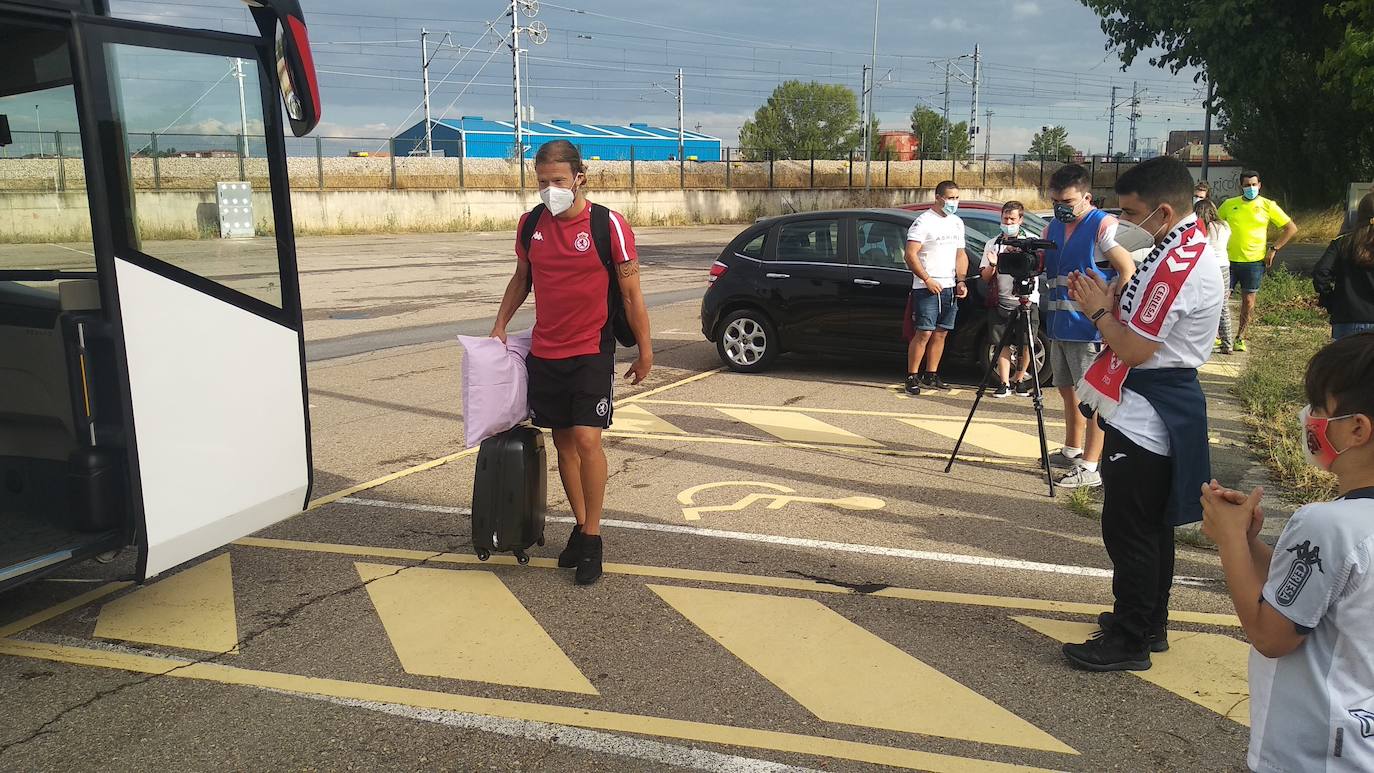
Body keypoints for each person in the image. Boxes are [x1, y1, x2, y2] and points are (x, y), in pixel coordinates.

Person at [1061, 156, 1224, 671]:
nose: (1127, 222)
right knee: (1151, 527)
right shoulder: (1177, 246)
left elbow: (1132, 349)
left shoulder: (1180, 264)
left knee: (1130, 530)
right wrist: (1113, 296)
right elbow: (1139, 313)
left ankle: (1132, 638)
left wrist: (1098, 311)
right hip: (1150, 405)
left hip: (1149, 410)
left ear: (1163, 209)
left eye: (1133, 213)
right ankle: (1147, 621)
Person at [1200, 333, 1374, 771]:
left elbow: (1270, 634)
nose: (1308, 418)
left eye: (1319, 408)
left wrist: (1228, 541)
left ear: (1358, 428)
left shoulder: (1326, 524)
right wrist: (1249, 543)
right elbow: (1310, 595)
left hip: (1312, 752)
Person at [490, 140, 653, 586]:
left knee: (586, 438)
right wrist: (500, 323)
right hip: (546, 350)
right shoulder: (530, 226)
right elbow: (522, 279)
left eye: (558, 181)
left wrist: (645, 349)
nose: (549, 190)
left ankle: (594, 539)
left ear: (579, 178)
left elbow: (631, 293)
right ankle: (580, 528)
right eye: (542, 182)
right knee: (562, 443)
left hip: (590, 349)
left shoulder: (608, 225)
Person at [1041, 164, 1136, 489]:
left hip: (1090, 329)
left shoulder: (1102, 225)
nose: (1060, 208)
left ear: (1086, 197)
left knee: (1095, 399)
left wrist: (1113, 316)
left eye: (1067, 201)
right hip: (1059, 325)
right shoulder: (1052, 226)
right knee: (1068, 392)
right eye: (1055, 201)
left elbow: (1127, 269)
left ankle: (1091, 465)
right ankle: (1072, 449)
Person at [1217, 170, 1299, 351]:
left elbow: (1291, 228)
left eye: (1254, 184)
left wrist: (1274, 249)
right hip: (1228, 261)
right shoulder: (1229, 205)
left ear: (1260, 185)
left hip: (1254, 262)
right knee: (1220, 299)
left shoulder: (1268, 205)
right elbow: (1213, 223)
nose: (1251, 188)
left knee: (1248, 302)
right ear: (1241, 186)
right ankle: (1219, 334)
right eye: (1247, 185)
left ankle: (1240, 337)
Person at [903, 180, 968, 395]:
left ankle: (931, 374)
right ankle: (912, 375)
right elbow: (910, 255)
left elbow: (960, 254)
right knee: (924, 332)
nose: (953, 202)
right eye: (950, 198)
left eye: (956, 197)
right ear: (938, 197)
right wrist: (927, 279)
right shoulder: (923, 222)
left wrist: (961, 280)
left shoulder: (957, 222)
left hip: (949, 286)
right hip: (927, 286)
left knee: (941, 333)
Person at [979, 200, 1039, 398]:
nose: (1008, 222)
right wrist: (994, 264)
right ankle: (1004, 383)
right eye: (1005, 218)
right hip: (1000, 301)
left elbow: (1038, 268)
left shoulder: (1031, 241)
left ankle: (1020, 380)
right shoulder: (993, 243)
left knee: (1026, 342)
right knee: (1001, 342)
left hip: (1027, 300)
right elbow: (985, 277)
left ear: (1021, 219)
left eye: (1012, 218)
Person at [1313, 192, 1374, 340]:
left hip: (1346, 318)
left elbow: (1321, 272)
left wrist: (1330, 301)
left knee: (1344, 363)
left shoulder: (1341, 243)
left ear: (1359, 214)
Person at [1196, 198, 1235, 353]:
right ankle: (1228, 343)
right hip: (1225, 265)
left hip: (1208, 267)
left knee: (1204, 304)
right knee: (1223, 305)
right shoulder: (1224, 226)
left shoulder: (1203, 229)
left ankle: (1205, 341)